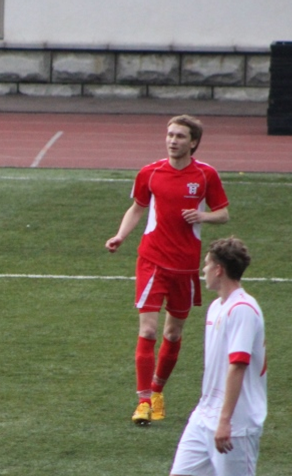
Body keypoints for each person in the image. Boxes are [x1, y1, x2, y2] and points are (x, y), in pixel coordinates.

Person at [105, 115, 230, 425]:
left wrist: (202, 216)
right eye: (170, 135)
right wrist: (120, 236)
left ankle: (158, 391)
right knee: (148, 330)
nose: (173, 140)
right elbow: (137, 208)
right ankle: (143, 401)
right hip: (152, 261)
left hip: (185, 267)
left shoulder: (205, 175)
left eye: (180, 136)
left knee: (173, 333)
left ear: (193, 142)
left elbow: (223, 214)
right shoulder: (150, 172)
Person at [169, 237, 266, 476]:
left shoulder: (243, 310)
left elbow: (238, 365)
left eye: (207, 264)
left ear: (220, 269)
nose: (203, 269)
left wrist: (225, 421)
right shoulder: (216, 308)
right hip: (204, 412)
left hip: (234, 418)